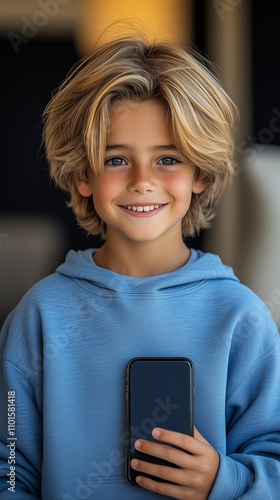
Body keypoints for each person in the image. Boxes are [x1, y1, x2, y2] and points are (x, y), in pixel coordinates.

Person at [0, 29, 280, 500]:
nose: (143, 181)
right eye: (116, 160)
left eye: (168, 158)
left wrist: (223, 480)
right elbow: (10, 467)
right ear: (82, 174)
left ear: (202, 174)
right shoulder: (40, 314)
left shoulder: (241, 317)